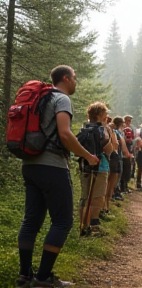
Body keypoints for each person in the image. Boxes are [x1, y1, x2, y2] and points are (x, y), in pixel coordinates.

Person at [17, 65, 99, 288]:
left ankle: (24, 276)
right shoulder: (61, 99)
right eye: (75, 77)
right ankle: (43, 278)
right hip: (52, 166)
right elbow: (64, 133)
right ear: (65, 78)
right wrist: (87, 155)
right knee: (62, 221)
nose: (76, 81)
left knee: (31, 220)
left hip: (30, 164)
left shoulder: (40, 98)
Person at [78, 101, 113, 237]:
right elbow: (109, 149)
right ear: (99, 114)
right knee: (98, 197)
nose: (106, 115)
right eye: (105, 112)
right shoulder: (100, 129)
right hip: (100, 166)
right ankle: (94, 226)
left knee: (85, 197)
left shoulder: (84, 127)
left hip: (84, 166)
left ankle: (82, 226)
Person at [120, 115, 134, 193]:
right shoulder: (124, 129)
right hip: (124, 153)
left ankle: (125, 186)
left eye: (130, 121)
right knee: (125, 169)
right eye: (128, 120)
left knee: (128, 170)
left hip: (129, 150)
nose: (129, 122)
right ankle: (123, 187)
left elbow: (132, 140)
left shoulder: (130, 129)